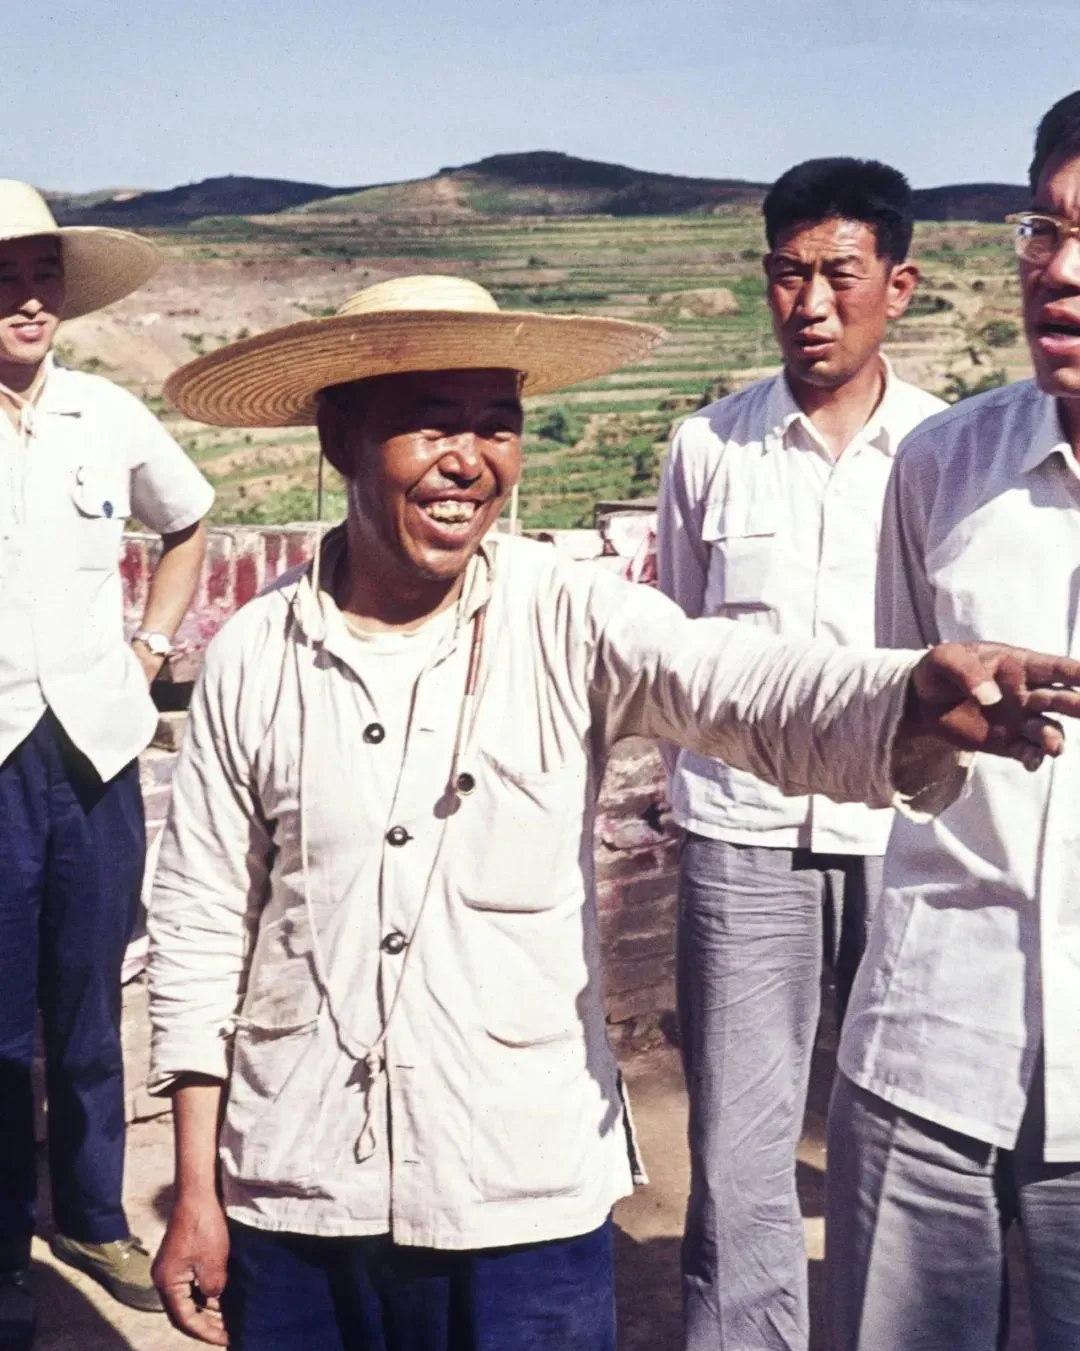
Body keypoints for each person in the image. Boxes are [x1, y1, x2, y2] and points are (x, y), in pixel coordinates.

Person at [145, 274, 1078, 1351]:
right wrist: (197, 1189)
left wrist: (902, 693)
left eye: (498, 425)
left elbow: (735, 680)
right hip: (297, 1185)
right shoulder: (253, 658)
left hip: (519, 1188)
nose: (470, 461)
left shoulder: (566, 612)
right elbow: (202, 924)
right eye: (432, 424)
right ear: (341, 436)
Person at [655, 157, 945, 1350]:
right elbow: (678, 648)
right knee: (738, 1143)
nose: (812, 304)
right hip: (743, 832)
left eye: (840, 274)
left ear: (899, 285)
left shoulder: (946, 450)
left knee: (907, 1130)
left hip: (909, 832)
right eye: (788, 274)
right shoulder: (707, 447)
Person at [826, 91, 1080, 1351]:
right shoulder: (943, 466)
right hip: (930, 1049)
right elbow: (898, 734)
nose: (1061, 272)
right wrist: (934, 729)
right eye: (1045, 229)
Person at [0, 181, 214, 1349]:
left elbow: (188, 522)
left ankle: (89, 1219)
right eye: (3, 279)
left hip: (92, 752)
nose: (27, 300)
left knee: (89, 1004)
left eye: (42, 277)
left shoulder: (106, 415)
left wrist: (148, 648)